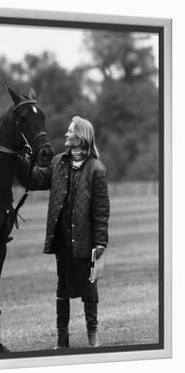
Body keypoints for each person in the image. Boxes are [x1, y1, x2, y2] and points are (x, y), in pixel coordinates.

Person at [18, 116, 110, 348]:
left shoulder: (96, 169)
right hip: (61, 239)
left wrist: (100, 243)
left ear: (80, 138)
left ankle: (93, 334)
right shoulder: (59, 162)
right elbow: (34, 179)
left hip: (85, 240)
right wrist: (22, 161)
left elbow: (101, 211)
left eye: (70, 132)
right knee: (62, 286)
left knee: (89, 288)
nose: (66, 135)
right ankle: (62, 339)